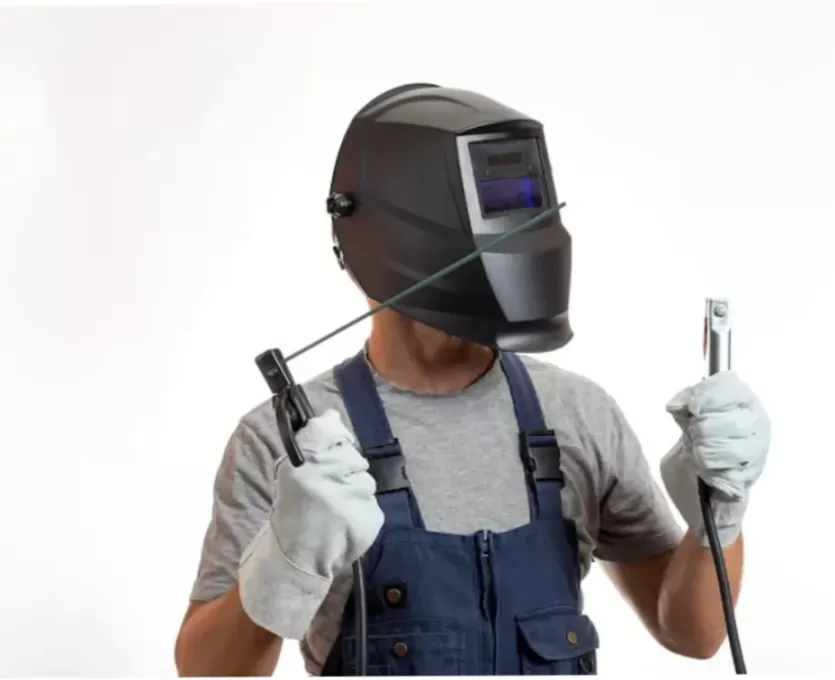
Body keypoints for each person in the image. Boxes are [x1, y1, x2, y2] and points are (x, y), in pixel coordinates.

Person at [174, 84, 771, 677]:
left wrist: (718, 514)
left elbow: (693, 634)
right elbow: (205, 673)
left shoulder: (578, 412)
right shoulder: (293, 443)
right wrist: (285, 560)